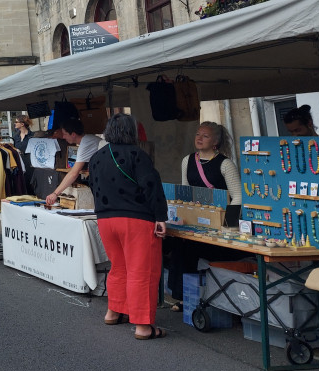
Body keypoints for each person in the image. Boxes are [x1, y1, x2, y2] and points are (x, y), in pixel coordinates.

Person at [88, 114, 168, 340]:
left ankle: (114, 311)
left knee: (119, 267)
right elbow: (151, 187)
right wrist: (161, 216)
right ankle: (143, 326)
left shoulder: (96, 157)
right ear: (132, 132)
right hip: (136, 221)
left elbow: (93, 186)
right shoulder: (137, 154)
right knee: (141, 271)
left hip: (105, 220)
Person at [167, 121, 242, 312]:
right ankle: (183, 296)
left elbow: (239, 196)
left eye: (205, 136)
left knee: (194, 250)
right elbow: (185, 191)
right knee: (180, 247)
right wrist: (181, 217)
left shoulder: (225, 164)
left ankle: (199, 297)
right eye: (198, 134)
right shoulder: (187, 160)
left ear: (215, 141)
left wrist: (229, 225)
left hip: (219, 224)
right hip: (195, 222)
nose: (199, 138)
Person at [284, 103, 319, 194]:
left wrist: (314, 183)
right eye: (291, 132)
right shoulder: (295, 149)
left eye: (297, 130)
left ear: (309, 124)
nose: (294, 135)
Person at [44, 118, 102, 206]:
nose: (63, 137)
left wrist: (55, 193)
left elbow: (73, 173)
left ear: (73, 134)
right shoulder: (87, 140)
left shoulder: (86, 143)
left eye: (65, 134)